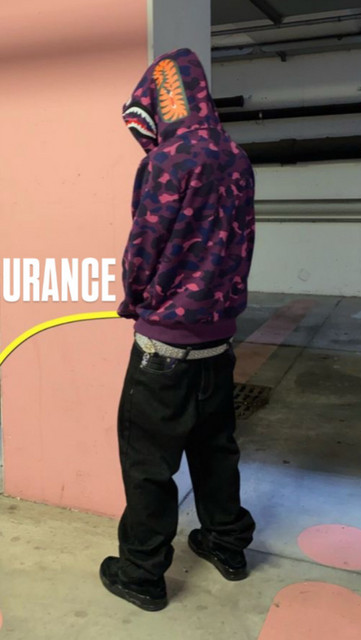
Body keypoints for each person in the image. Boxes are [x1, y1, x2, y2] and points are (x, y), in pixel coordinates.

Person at [99, 48, 256, 612]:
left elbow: (144, 248)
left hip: (164, 349)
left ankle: (141, 574)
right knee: (216, 450)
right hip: (219, 341)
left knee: (148, 464)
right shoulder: (236, 156)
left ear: (163, 102)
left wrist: (136, 302)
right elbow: (242, 241)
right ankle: (227, 545)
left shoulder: (168, 161)